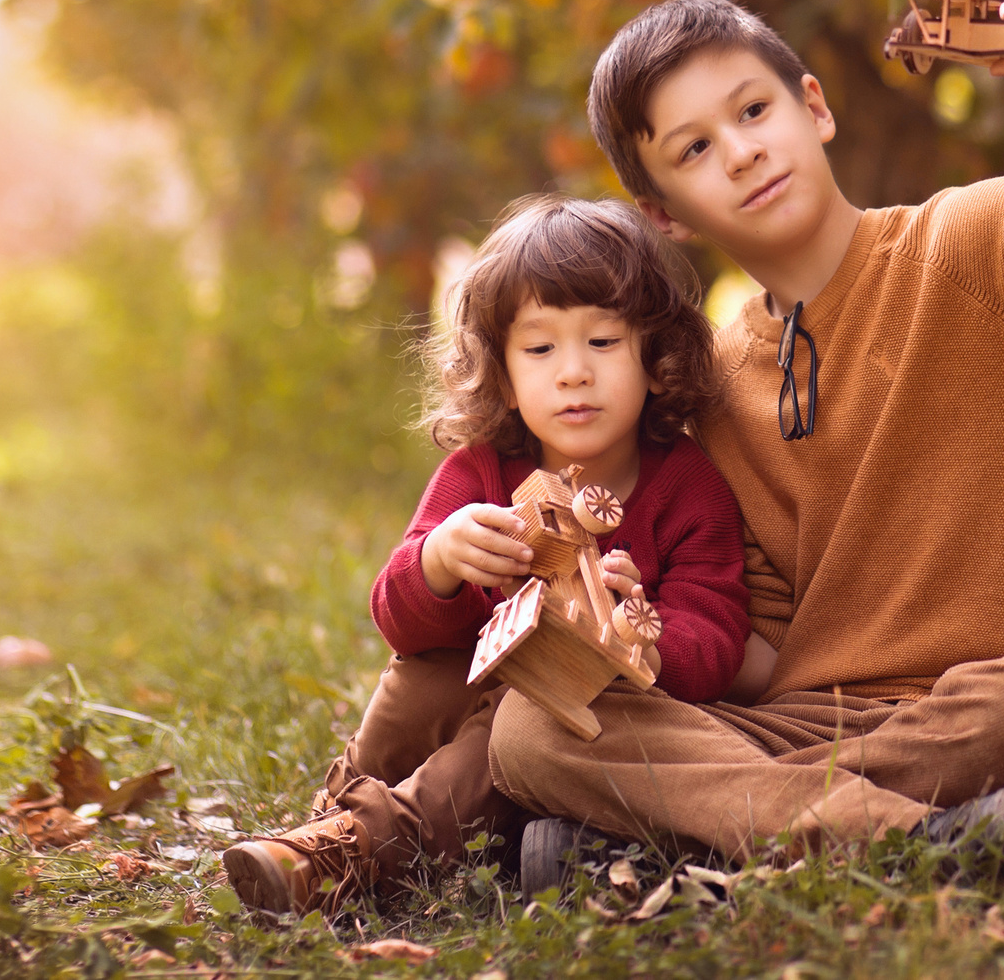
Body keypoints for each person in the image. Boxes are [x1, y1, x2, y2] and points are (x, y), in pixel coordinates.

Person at [489, 0, 1004, 873]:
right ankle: (908, 841)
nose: (743, 152)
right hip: (802, 719)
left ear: (815, 107)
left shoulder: (966, 247)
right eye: (695, 148)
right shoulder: (702, 385)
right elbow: (753, 638)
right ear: (662, 213)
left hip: (982, 708)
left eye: (753, 112)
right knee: (530, 726)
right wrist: (639, 626)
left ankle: (705, 845)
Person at [221, 196, 750, 914]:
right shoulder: (480, 472)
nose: (573, 372)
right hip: (455, 689)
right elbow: (398, 620)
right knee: (425, 675)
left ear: (656, 359)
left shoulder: (690, 490)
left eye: (602, 342)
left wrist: (645, 630)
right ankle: (340, 803)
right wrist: (439, 560)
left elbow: (718, 635)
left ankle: (350, 850)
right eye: (540, 348)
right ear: (502, 372)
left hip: (563, 725)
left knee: (504, 731)